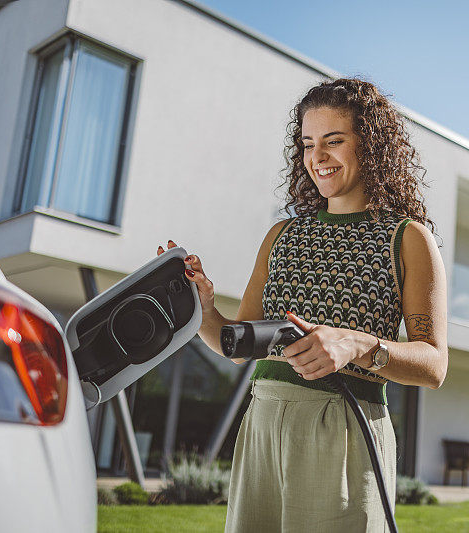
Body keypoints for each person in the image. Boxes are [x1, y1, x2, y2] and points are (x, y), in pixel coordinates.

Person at [157, 77, 447, 533]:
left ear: (371, 145)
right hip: (262, 420)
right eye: (308, 143)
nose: (318, 157)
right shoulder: (281, 236)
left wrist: (358, 346)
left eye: (334, 141)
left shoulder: (407, 238)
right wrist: (205, 310)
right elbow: (236, 344)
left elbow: (433, 364)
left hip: (345, 429)